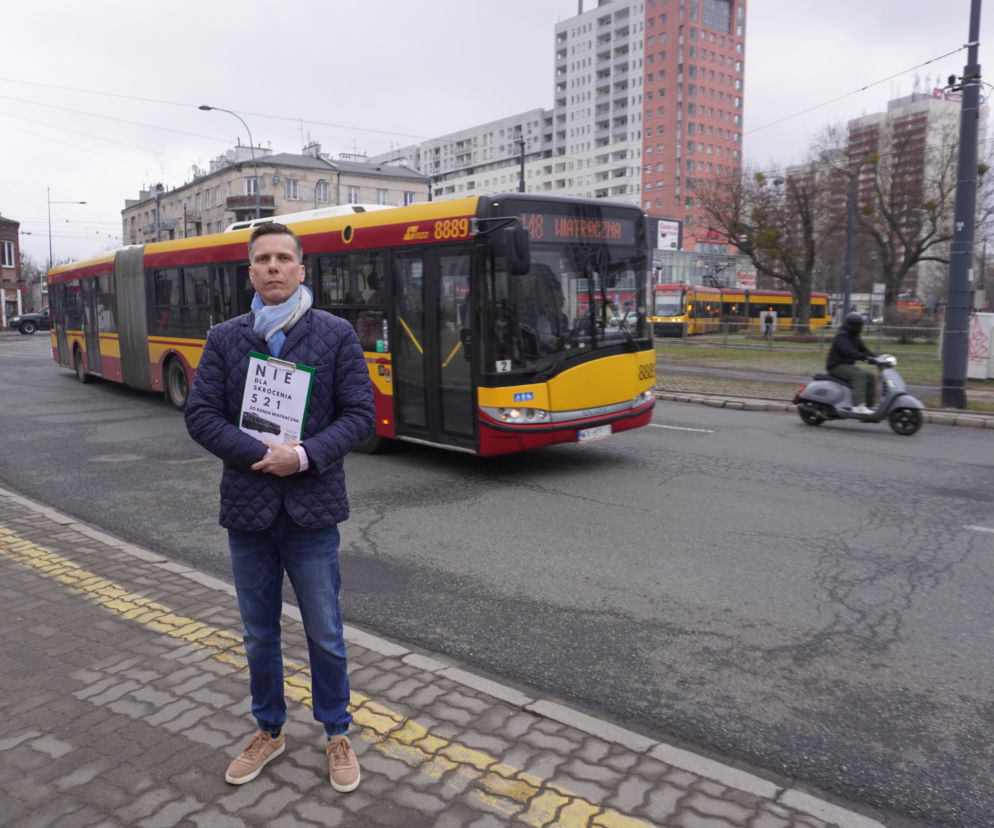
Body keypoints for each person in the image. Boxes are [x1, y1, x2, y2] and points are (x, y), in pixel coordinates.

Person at [184, 222, 374, 792]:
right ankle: (269, 730)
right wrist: (259, 455)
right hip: (248, 511)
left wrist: (305, 456)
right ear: (250, 272)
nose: (272, 267)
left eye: (282, 258)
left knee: (325, 631)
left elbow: (360, 416)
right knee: (258, 634)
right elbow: (201, 416)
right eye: (262, 259)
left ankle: (337, 732)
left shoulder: (336, 335)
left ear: (299, 269)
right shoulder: (224, 338)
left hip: (311, 511)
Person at [826, 311, 877, 414]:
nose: (861, 327)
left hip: (847, 366)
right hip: (836, 366)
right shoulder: (842, 335)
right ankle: (858, 405)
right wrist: (865, 358)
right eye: (859, 325)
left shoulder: (855, 336)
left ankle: (870, 405)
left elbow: (864, 349)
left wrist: (877, 358)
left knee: (870, 376)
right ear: (853, 325)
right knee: (859, 375)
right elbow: (848, 351)